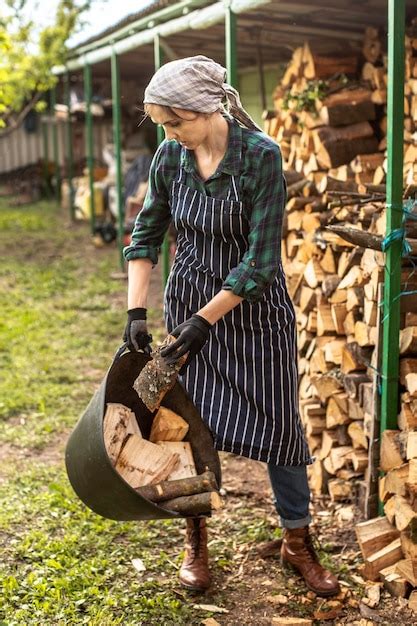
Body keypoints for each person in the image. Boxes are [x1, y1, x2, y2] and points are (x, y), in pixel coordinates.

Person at [123, 56, 340, 597]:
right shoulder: (170, 158)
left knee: (281, 429)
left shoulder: (260, 157)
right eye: (164, 126)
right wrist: (136, 311)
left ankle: (297, 540)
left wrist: (205, 322)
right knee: (190, 426)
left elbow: (261, 260)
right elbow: (146, 234)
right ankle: (195, 540)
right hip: (188, 303)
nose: (170, 135)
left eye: (176, 122)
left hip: (255, 314)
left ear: (207, 107)